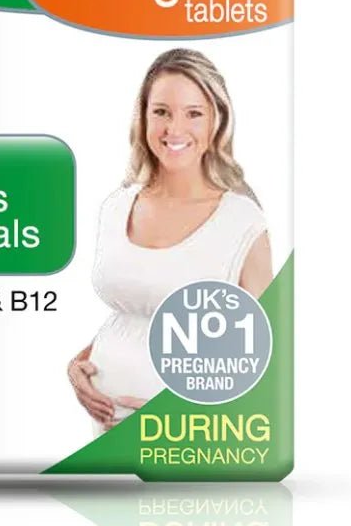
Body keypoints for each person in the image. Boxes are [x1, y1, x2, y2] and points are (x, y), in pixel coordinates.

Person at [67, 48, 272, 433]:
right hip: (103, 432)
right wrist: (79, 364)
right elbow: (136, 312)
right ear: (143, 117)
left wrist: (183, 416)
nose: (174, 129)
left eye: (193, 113)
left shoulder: (241, 221)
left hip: (186, 439)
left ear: (217, 122)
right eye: (161, 111)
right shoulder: (117, 206)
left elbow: (265, 358)